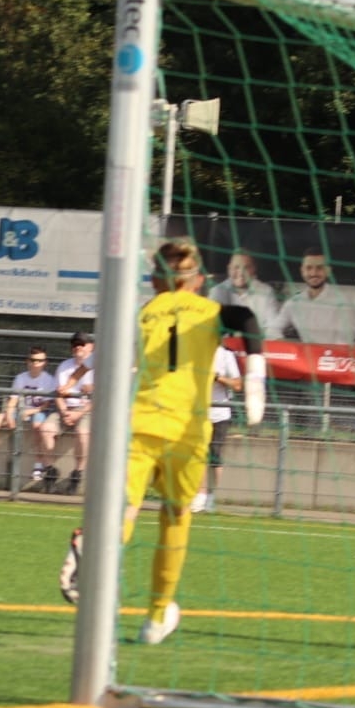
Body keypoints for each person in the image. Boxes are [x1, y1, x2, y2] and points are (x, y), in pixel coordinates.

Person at [123, 239, 266, 645]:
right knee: (176, 515)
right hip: (187, 430)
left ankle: (90, 548)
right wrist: (256, 377)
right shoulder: (209, 311)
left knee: (123, 509)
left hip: (140, 423)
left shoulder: (144, 312)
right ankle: (156, 615)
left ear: (155, 281)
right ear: (199, 280)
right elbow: (247, 318)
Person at [0, 345, 58, 484]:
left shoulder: (49, 380)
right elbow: (12, 401)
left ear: (45, 362)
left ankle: (39, 465)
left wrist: (28, 412)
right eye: (33, 360)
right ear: (28, 361)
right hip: (20, 411)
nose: (36, 363)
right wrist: (9, 415)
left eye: (40, 360)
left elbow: (46, 405)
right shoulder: (20, 378)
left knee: (37, 425)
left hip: (38, 412)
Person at [190, 346, 242, 513]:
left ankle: (210, 497)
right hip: (198, 413)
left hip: (219, 414)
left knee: (214, 455)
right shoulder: (196, 349)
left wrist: (218, 377)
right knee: (198, 454)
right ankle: (199, 495)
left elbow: (237, 384)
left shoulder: (226, 355)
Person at [273, 247, 355, 343]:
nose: (313, 273)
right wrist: (285, 346)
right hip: (303, 353)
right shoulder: (293, 303)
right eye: (309, 268)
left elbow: (345, 342)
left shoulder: (343, 303)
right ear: (302, 271)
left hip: (330, 352)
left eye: (319, 268)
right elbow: (272, 329)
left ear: (328, 271)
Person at [47, 330, 94, 494]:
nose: (77, 347)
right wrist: (65, 412)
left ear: (91, 346)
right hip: (65, 409)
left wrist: (78, 413)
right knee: (46, 429)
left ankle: (77, 474)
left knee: (82, 433)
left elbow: (100, 396)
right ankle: (50, 471)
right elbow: (59, 392)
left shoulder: (99, 363)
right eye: (74, 344)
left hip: (86, 410)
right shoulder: (64, 366)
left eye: (81, 344)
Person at [207, 250, 280, 333]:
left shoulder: (266, 292)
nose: (241, 273)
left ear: (253, 269)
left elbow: (274, 329)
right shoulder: (217, 292)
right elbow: (210, 326)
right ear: (229, 269)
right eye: (236, 267)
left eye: (246, 267)